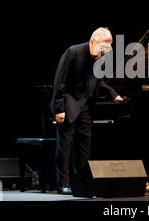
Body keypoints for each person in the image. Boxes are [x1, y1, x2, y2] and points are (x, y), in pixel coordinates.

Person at [50, 27, 123, 195]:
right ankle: (63, 183)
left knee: (84, 147)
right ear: (92, 43)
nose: (104, 53)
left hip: (86, 107)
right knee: (65, 146)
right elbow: (59, 82)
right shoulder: (73, 52)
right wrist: (59, 108)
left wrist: (113, 93)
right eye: (103, 48)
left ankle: (81, 183)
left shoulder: (98, 57)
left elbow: (97, 80)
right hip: (68, 106)